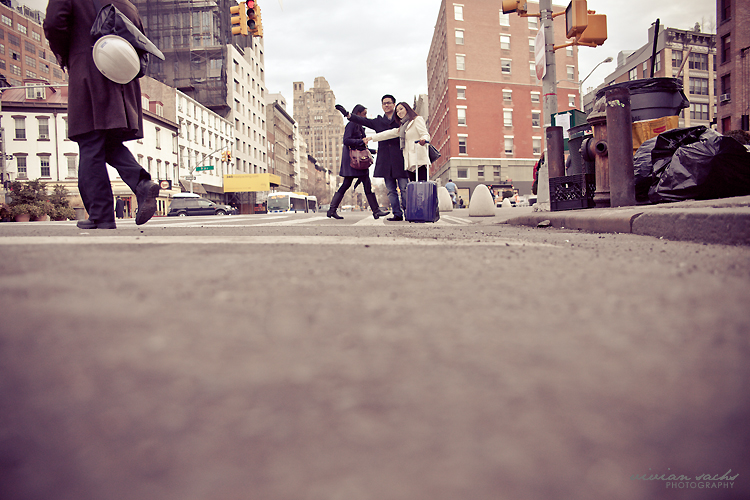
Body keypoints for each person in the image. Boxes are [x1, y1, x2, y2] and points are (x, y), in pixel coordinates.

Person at [44, 0, 160, 230]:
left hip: (90, 71)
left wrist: (67, 55)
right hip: (122, 78)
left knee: (90, 141)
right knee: (108, 142)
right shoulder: (128, 4)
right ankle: (141, 183)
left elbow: (54, 23)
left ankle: (101, 215)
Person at [336, 95, 407, 221]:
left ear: (394, 104)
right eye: (384, 103)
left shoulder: (401, 120)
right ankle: (397, 214)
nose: (386, 105)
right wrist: (347, 114)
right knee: (391, 190)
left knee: (404, 188)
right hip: (385, 160)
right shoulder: (378, 121)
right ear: (382, 106)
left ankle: (409, 212)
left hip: (400, 158)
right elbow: (363, 121)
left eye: (389, 103)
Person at [327, 104, 389, 220]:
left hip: (358, 161)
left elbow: (361, 146)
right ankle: (376, 211)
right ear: (358, 113)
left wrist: (372, 151)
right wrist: (361, 141)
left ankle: (332, 210)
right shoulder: (351, 124)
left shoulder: (359, 126)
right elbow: (346, 141)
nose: (365, 117)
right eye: (364, 114)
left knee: (349, 185)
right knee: (359, 185)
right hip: (354, 161)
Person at [364, 102, 431, 183]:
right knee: (413, 186)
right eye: (397, 111)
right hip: (409, 162)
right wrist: (371, 138)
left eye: (401, 109)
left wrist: (423, 139)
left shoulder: (416, 120)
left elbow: (425, 134)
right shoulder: (402, 127)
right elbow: (388, 134)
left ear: (407, 109)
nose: (399, 112)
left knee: (422, 184)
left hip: (418, 158)